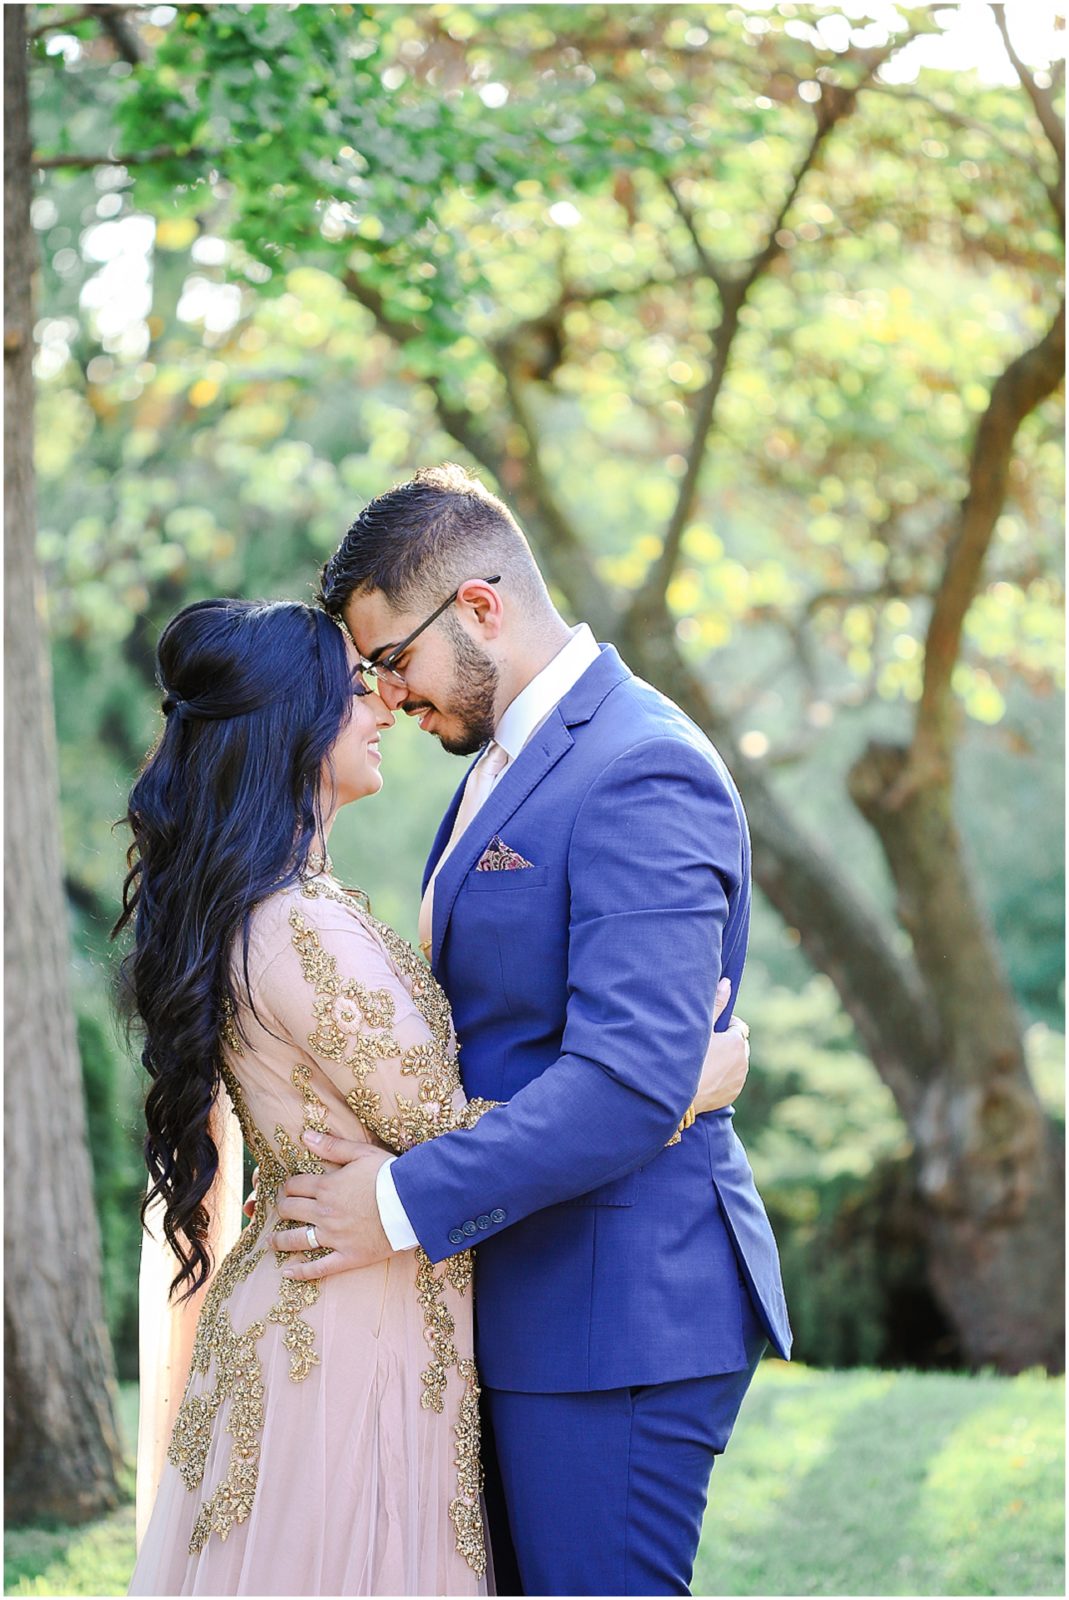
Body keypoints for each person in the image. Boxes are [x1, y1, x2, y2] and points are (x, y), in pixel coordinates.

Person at [119, 595, 749, 1596]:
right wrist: (672, 1089)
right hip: (344, 1331)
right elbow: (442, 1128)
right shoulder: (297, 927)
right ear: (295, 726)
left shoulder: (289, 905)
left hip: (354, 1300)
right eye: (355, 688)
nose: (382, 708)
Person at [271, 464, 793, 1597]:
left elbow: (621, 1086)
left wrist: (396, 1203)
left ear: (479, 606)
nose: (389, 698)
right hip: (529, 1298)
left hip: (615, 1315)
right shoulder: (505, 762)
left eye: (392, 660)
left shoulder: (638, 765)